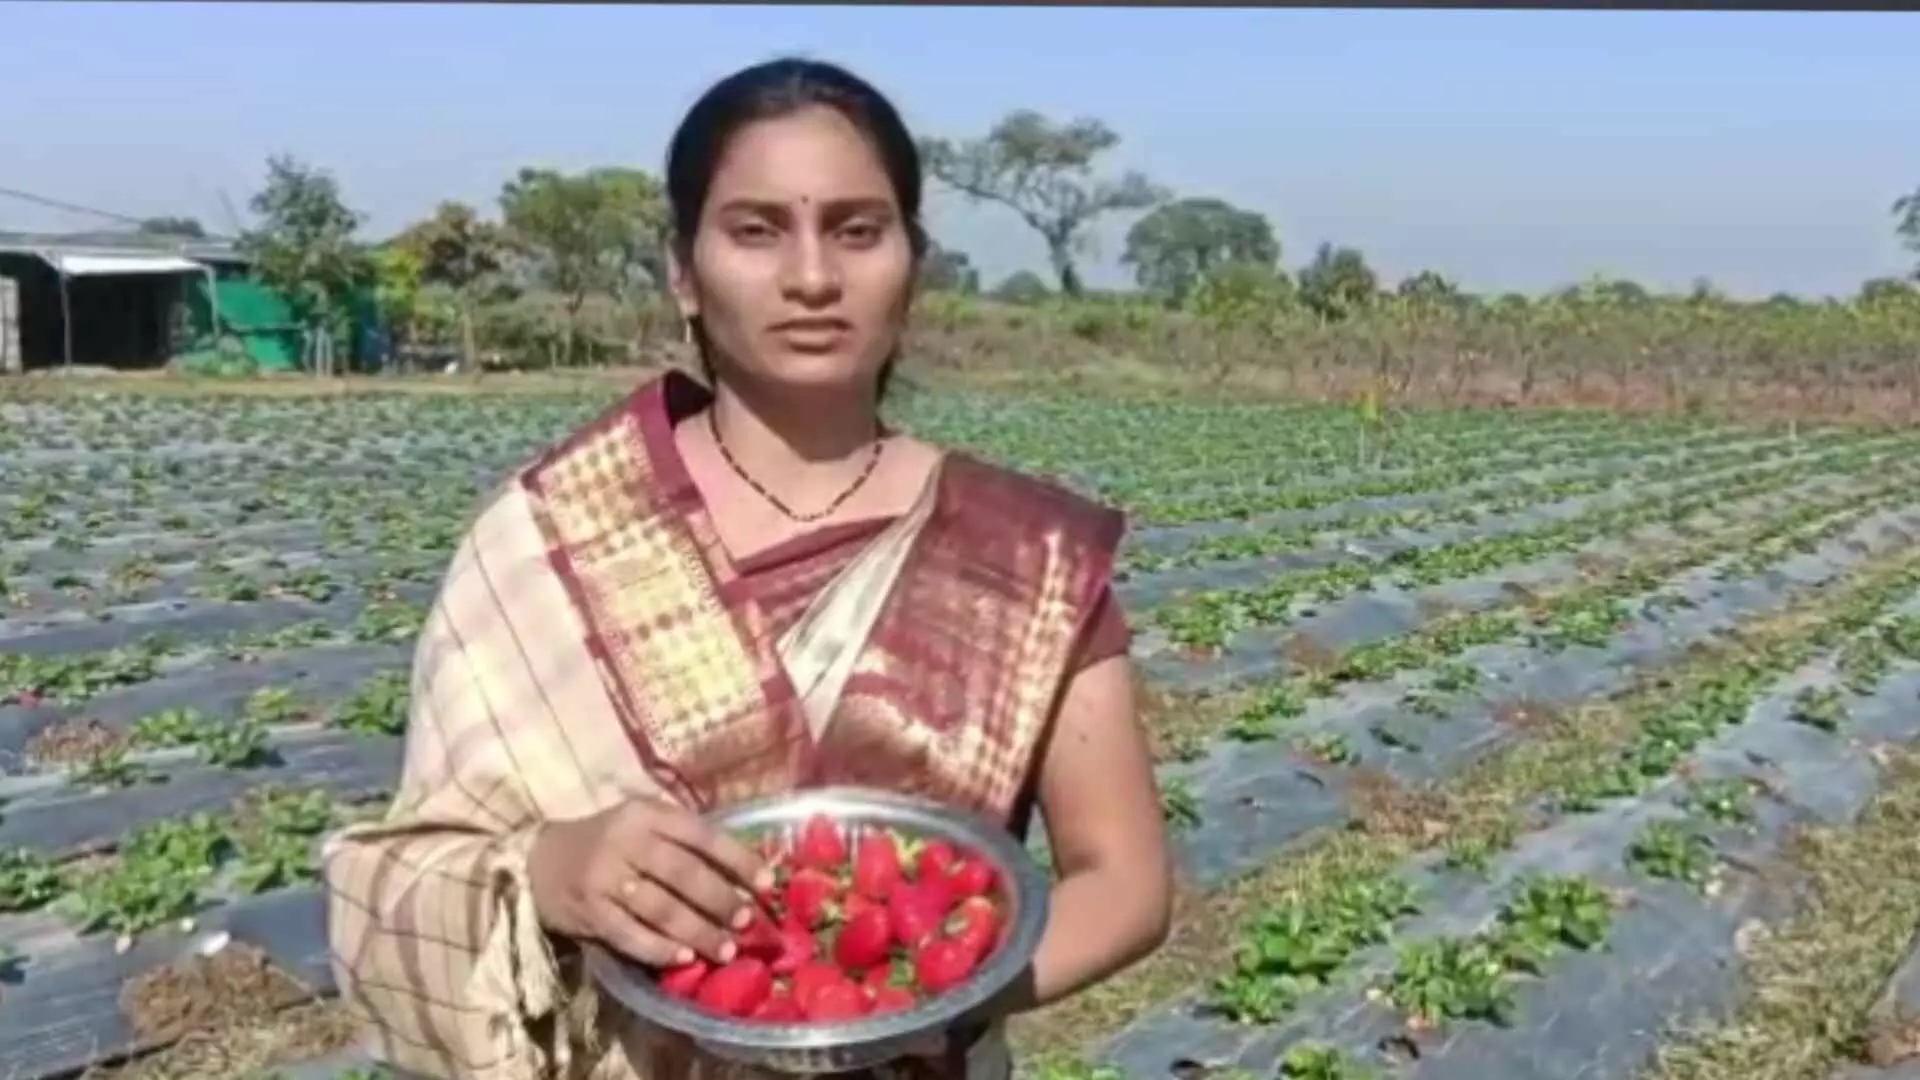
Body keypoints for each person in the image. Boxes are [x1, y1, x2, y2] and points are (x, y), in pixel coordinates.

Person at [322, 56, 1173, 1080]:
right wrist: (546, 872)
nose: (813, 276)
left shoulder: (1025, 554)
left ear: (913, 259)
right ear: (684, 268)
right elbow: (403, 875)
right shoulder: (546, 536)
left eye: (858, 229)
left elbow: (1122, 883)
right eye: (756, 229)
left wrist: (918, 1004)